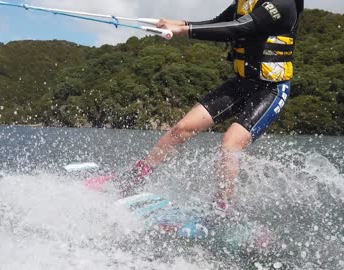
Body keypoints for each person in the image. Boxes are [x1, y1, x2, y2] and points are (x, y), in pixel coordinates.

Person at [115, 0, 304, 216]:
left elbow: (239, 28)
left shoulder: (283, 3)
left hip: (270, 89)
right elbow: (219, 23)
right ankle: (134, 179)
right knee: (182, 128)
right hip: (241, 84)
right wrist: (179, 23)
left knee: (229, 145)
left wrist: (184, 30)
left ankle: (223, 209)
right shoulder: (245, 2)